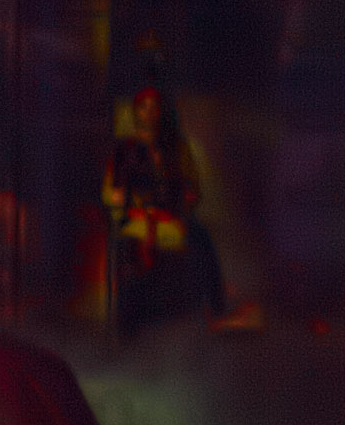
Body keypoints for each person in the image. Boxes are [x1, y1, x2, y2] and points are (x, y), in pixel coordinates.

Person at [103, 85, 260, 332]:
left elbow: (188, 187)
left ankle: (216, 309)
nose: (149, 113)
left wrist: (183, 197)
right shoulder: (126, 148)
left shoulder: (171, 148)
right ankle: (133, 321)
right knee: (136, 244)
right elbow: (114, 192)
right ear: (136, 112)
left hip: (169, 215)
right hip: (138, 216)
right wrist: (130, 202)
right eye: (144, 107)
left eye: (154, 108)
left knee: (199, 234)